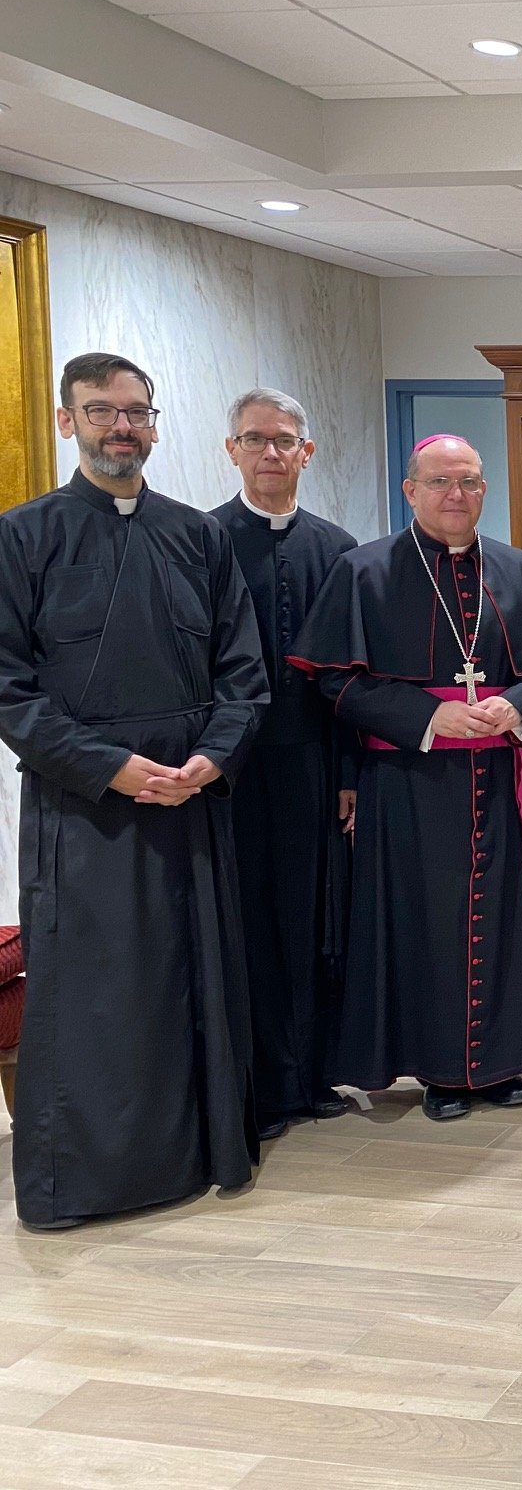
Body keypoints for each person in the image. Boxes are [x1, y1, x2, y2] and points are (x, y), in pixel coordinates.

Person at [0, 352, 267, 1229]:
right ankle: (96, 1180)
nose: (123, 428)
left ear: (156, 423)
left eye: (138, 413)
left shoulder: (199, 535)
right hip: (87, 808)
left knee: (196, 980)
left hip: (188, 796)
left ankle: (203, 1152)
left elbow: (243, 674)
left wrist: (213, 759)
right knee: (100, 995)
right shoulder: (22, 537)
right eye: (103, 412)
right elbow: (8, 689)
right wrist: (110, 768)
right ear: (67, 420)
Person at [288, 435, 522, 1121]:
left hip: (501, 777)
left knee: (505, 918)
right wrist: (429, 717)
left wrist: (518, 705)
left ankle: (501, 1063)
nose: (456, 495)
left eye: (470, 482)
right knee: (421, 921)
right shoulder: (364, 572)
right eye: (441, 482)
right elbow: (331, 678)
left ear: (484, 491)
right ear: (411, 490)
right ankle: (440, 1070)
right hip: (409, 784)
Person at [210, 388, 358, 1139]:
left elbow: (353, 678)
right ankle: (260, 1084)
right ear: (230, 449)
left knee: (314, 920)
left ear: (306, 452)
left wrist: (348, 776)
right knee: (246, 924)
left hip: (314, 768)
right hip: (230, 772)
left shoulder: (338, 549)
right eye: (255, 439)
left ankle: (314, 1073)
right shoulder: (197, 539)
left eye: (284, 440)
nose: (271, 453)